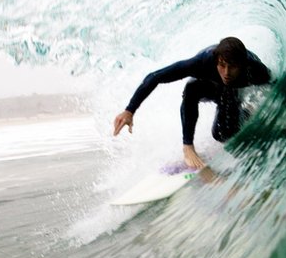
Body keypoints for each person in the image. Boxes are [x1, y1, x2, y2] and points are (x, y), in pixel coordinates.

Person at [112, 36, 272, 169]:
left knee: (221, 134)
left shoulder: (255, 70)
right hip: (208, 85)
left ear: (242, 65)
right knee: (191, 88)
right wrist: (129, 110)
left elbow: (275, 86)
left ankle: (245, 112)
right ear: (217, 61)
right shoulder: (202, 62)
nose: (227, 72)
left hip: (231, 92)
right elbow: (155, 77)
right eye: (222, 66)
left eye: (233, 67)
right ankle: (188, 147)